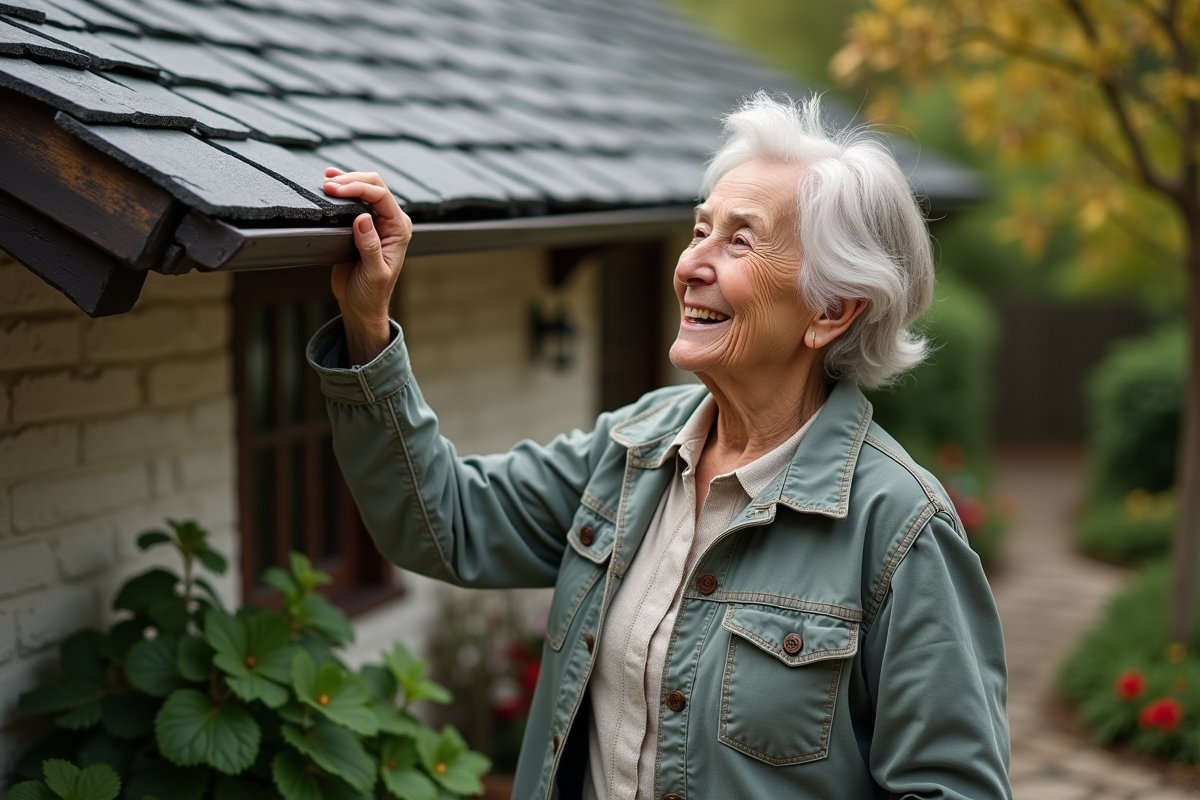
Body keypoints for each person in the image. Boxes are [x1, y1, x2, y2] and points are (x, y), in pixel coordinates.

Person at [308, 92, 1011, 800]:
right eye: (699, 230)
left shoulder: (898, 529)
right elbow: (444, 523)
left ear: (831, 310)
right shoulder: (631, 449)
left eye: (739, 240)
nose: (691, 265)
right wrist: (368, 327)